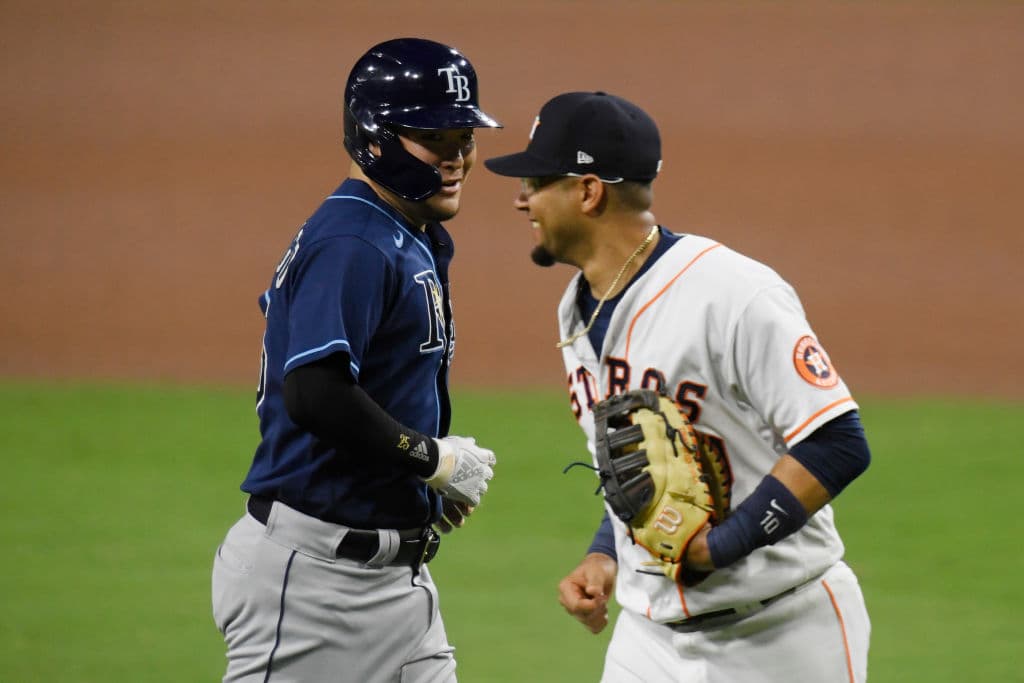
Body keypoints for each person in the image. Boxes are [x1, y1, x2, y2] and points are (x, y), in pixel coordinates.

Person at [485, 91, 872, 682]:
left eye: (537, 181)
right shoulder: (577, 311)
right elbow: (637, 467)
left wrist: (720, 548)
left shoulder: (732, 293)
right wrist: (605, 554)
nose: (521, 200)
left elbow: (837, 442)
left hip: (785, 633)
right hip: (648, 642)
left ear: (589, 192)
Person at [211, 38, 501, 683]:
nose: (458, 160)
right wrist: (430, 459)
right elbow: (313, 392)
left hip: (396, 583)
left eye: (465, 139)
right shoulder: (354, 240)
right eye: (438, 140)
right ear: (377, 138)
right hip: (313, 587)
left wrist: (417, 480)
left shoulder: (401, 231)